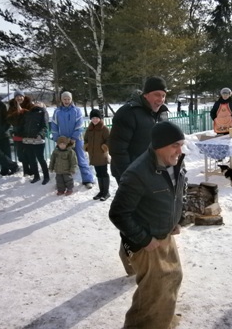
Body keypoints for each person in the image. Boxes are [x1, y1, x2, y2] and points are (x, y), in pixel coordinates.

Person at [109, 121, 187, 329]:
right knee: (154, 289)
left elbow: (178, 193)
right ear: (159, 145)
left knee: (173, 277)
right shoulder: (137, 174)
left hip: (164, 233)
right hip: (147, 241)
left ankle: (163, 320)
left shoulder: (176, 163)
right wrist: (144, 239)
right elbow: (118, 213)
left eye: (181, 144)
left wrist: (177, 220)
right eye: (175, 145)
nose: (180, 150)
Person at [109, 76, 169, 185]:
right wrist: (129, 176)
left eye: (163, 95)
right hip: (132, 172)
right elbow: (117, 149)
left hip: (153, 170)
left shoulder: (162, 114)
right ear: (146, 95)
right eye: (157, 94)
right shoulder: (128, 113)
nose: (161, 99)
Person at [51, 91, 94, 189]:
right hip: (63, 141)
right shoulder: (57, 111)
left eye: (68, 99)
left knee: (81, 159)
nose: (66, 101)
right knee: (62, 160)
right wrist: (58, 139)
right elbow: (54, 126)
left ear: (71, 99)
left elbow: (80, 125)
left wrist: (74, 138)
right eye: (64, 99)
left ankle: (88, 179)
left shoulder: (76, 110)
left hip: (77, 140)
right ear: (61, 100)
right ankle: (63, 182)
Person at [83, 109, 111, 201]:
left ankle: (106, 192)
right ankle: (101, 191)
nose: (95, 120)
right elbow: (86, 139)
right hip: (93, 155)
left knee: (103, 173)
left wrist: (105, 146)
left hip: (102, 155)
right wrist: (86, 145)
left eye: (97, 118)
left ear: (100, 118)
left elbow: (109, 140)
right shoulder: (89, 129)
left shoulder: (104, 129)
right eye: (93, 118)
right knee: (98, 173)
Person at [22, 100, 50, 184]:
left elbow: (45, 126)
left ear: (43, 104)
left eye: (39, 102)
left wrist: (40, 134)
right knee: (31, 159)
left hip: (38, 139)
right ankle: (36, 176)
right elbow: (25, 125)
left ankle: (46, 176)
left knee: (40, 158)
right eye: (36, 102)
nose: (37, 103)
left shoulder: (43, 112)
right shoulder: (29, 113)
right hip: (28, 139)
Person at [7, 90, 32, 177]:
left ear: (23, 97)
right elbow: (9, 119)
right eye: (17, 96)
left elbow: (33, 116)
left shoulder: (29, 105)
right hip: (17, 132)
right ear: (15, 98)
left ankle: (28, 171)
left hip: (28, 132)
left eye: (20, 96)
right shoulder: (12, 107)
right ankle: (26, 169)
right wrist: (17, 113)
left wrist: (23, 111)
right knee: (21, 154)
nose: (19, 98)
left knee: (29, 152)